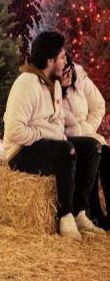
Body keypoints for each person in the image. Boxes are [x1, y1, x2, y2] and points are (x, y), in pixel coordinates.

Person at [4, 31, 103, 239]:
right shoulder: (26, 84)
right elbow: (14, 131)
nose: (66, 61)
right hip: (21, 151)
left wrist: (52, 134)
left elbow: (58, 124)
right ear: (50, 60)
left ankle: (79, 212)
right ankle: (65, 216)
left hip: (47, 144)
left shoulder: (55, 84)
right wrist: (44, 133)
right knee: (66, 150)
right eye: (62, 57)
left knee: (92, 147)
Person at [61, 54, 110, 229]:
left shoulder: (80, 78)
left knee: (107, 155)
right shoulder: (50, 90)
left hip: (88, 132)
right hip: (67, 138)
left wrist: (87, 129)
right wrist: (78, 133)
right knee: (91, 154)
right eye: (63, 72)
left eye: (69, 70)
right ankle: (94, 213)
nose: (67, 75)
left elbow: (98, 105)